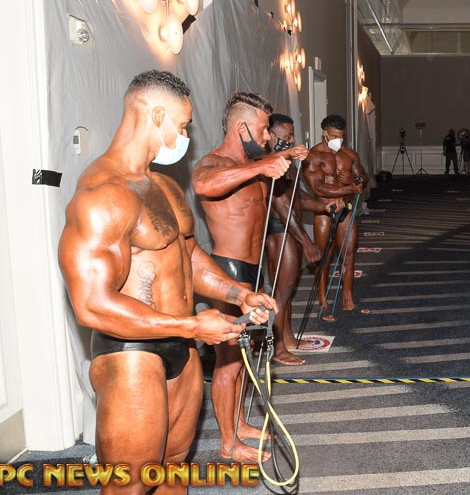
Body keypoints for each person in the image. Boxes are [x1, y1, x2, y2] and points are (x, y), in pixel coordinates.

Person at [59, 70, 277, 492]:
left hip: (181, 345)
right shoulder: (102, 194)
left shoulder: (164, 186)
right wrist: (192, 325)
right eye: (182, 125)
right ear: (156, 116)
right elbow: (92, 305)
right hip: (132, 355)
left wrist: (239, 293)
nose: (186, 138)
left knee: (174, 468)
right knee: (130, 484)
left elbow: (189, 257)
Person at [191, 92, 306, 461]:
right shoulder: (214, 163)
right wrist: (262, 166)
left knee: (244, 357)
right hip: (228, 271)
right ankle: (228, 444)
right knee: (228, 362)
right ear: (241, 128)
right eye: (262, 129)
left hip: (253, 273)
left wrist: (284, 157)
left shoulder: (255, 164)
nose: (268, 137)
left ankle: (239, 424)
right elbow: (204, 184)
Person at [263, 113, 344, 365]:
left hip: (291, 230)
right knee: (282, 293)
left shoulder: (286, 163)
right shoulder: (270, 164)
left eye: (292, 135)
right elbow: (282, 205)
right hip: (280, 232)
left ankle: (288, 339)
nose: (292, 140)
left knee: (288, 291)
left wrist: (324, 205)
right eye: (287, 136)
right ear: (272, 136)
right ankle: (278, 347)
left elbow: (298, 198)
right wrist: (306, 242)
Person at [303, 115, 371, 321]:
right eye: (334, 136)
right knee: (324, 257)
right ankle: (322, 302)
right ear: (324, 133)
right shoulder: (313, 156)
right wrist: (349, 188)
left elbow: (364, 178)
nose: (338, 141)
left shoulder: (349, 154)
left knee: (348, 254)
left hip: (346, 209)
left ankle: (348, 300)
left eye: (341, 137)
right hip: (325, 210)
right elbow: (317, 187)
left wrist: (354, 179)